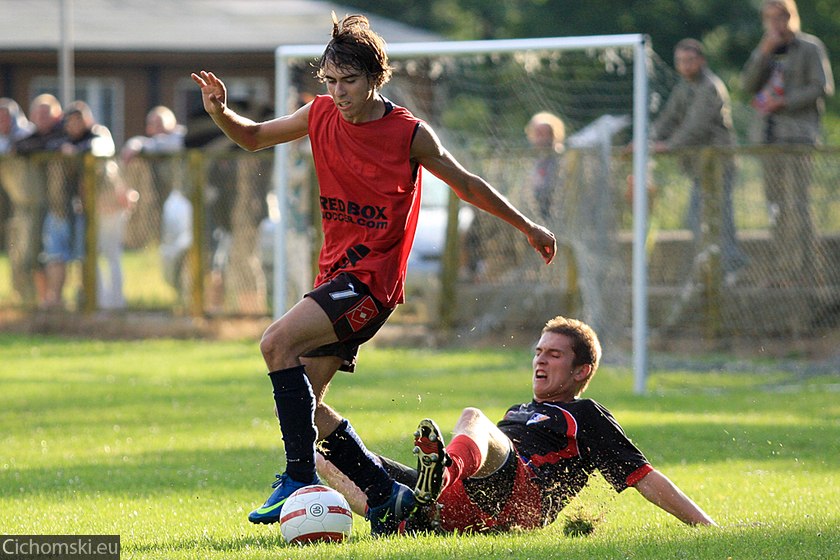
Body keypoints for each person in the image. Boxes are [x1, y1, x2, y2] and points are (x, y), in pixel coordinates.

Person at [191, 13, 556, 536]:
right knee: (307, 406)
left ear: (376, 78)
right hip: (334, 276)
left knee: (275, 344)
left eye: (350, 82)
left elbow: (467, 184)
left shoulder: (407, 132)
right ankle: (387, 496)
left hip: (372, 282)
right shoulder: (318, 113)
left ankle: (297, 478)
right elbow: (251, 138)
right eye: (331, 82)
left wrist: (527, 226)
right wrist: (221, 113)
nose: (339, 93)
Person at [318, 316, 717, 533]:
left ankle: (437, 479)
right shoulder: (518, 410)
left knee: (474, 417)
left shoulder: (586, 416)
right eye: (538, 352)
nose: (540, 360)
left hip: (523, 500)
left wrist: (707, 527)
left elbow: (645, 477)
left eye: (554, 355)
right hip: (468, 502)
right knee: (323, 455)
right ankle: (397, 516)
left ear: (582, 370)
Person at [741, 0, 834, 286]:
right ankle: (782, 270)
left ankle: (806, 270)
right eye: (769, 18)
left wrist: (785, 101)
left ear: (790, 17)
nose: (775, 24)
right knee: (776, 207)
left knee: (798, 206)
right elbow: (747, 86)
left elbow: (822, 86)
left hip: (797, 137)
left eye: (780, 17)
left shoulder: (809, 47)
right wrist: (762, 53)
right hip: (768, 139)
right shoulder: (765, 50)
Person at [651, 39, 748, 280]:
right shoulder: (684, 87)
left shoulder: (710, 86)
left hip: (718, 166)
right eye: (681, 61)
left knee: (718, 216)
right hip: (699, 169)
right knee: (698, 217)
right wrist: (646, 139)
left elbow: (695, 126)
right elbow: (668, 118)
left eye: (690, 60)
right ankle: (716, 266)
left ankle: (731, 267)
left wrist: (668, 146)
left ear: (701, 60)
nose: (685, 66)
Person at [41, 100, 115, 309]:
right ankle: (54, 302)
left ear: (88, 120)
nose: (73, 125)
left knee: (85, 257)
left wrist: (75, 152)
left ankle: (88, 301)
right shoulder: (60, 139)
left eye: (78, 120)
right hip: (61, 208)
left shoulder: (98, 135)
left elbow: (100, 148)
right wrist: (65, 149)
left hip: (88, 209)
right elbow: (44, 145)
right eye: (70, 121)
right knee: (56, 255)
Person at [12, 94, 66, 307]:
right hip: (37, 206)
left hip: (64, 206)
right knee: (36, 255)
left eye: (47, 112)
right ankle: (43, 301)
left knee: (61, 255)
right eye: (39, 113)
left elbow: (62, 145)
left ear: (57, 114)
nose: (42, 117)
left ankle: (62, 300)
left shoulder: (65, 135)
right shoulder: (30, 137)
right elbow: (19, 147)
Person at [525, 111, 565, 221]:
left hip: (554, 200)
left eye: (544, 133)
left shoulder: (559, 156)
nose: (540, 137)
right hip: (534, 199)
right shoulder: (530, 156)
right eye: (537, 133)